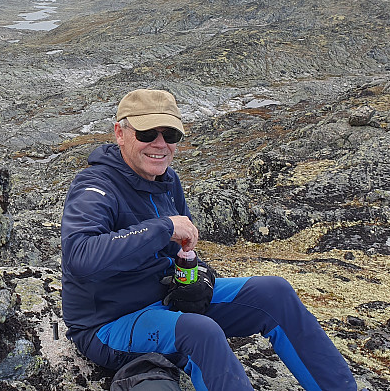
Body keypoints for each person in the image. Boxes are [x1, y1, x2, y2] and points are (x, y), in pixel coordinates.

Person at [60, 89, 357, 391]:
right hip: (109, 325)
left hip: (166, 301)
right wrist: (161, 228)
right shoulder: (95, 186)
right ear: (120, 133)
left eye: (170, 134)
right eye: (148, 132)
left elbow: (181, 251)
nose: (160, 144)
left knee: (274, 293)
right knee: (201, 333)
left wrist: (201, 275)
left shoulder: (167, 181)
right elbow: (80, 255)